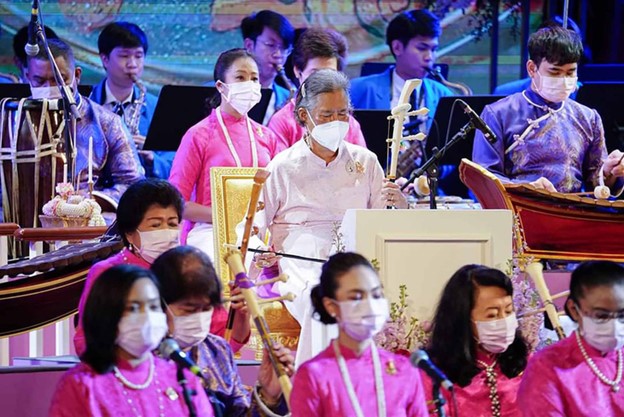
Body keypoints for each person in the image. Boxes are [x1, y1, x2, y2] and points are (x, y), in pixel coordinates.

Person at [251, 69, 407, 367]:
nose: (336, 123)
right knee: (320, 300)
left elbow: (382, 222)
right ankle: (325, 387)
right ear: (303, 116)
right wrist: (259, 251)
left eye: (342, 114)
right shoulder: (283, 167)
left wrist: (399, 204)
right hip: (303, 258)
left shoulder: (366, 160)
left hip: (357, 254)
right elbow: (252, 226)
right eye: (326, 115)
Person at [74, 179, 251, 355]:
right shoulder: (108, 273)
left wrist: (241, 317)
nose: (166, 231)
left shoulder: (192, 268)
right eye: (156, 225)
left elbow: (223, 346)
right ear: (129, 233)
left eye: (173, 224)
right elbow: (86, 343)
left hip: (192, 376)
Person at [472, 26, 624, 194]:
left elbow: (597, 187)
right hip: (517, 212)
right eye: (555, 72)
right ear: (531, 68)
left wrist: (609, 173)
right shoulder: (498, 114)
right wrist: (525, 187)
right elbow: (483, 176)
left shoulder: (588, 118)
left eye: (570, 72)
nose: (563, 80)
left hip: (572, 213)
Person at [49, 265, 214, 416]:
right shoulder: (82, 385)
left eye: (153, 307)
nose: (147, 316)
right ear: (108, 315)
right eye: (134, 308)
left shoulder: (181, 378)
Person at [152, 245, 295, 417]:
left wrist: (269, 396)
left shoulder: (216, 350)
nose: (198, 317)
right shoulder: (139, 358)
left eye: (206, 309)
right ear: (158, 305)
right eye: (189, 309)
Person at [169, 48, 279, 258]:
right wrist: (224, 216)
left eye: (254, 79)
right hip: (210, 232)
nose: (249, 84)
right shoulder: (198, 135)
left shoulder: (266, 136)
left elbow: (279, 193)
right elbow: (176, 202)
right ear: (221, 86)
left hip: (259, 233)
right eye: (240, 77)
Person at [290, 252, 428, 416]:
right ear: (331, 306)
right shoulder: (315, 375)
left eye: (376, 295)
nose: (370, 304)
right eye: (356, 297)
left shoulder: (402, 369)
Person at [25, 38, 144, 203]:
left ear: (77, 75)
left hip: (85, 221)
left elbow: (133, 184)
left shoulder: (107, 123)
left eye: (59, 80)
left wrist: (90, 199)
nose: (49, 89)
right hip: (16, 221)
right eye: (39, 81)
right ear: (27, 77)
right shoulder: (10, 120)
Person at [518, 260, 624, 416]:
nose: (614, 326)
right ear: (574, 310)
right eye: (601, 315)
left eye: (622, 315)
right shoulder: (547, 366)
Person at [422, 265, 528, 416]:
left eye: (509, 311)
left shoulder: (525, 365)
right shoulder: (432, 374)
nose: (504, 321)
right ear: (462, 318)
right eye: (492, 315)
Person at [90, 21, 175, 179]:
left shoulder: (157, 106)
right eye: (124, 56)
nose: (133, 64)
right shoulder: (86, 102)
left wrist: (152, 159)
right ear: (105, 59)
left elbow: (173, 166)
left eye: (138, 56)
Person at [349, 9, 453, 133]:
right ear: (397, 47)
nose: (429, 57)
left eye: (434, 49)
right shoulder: (356, 90)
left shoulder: (445, 96)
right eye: (422, 48)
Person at [267, 28, 367, 151]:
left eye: (329, 73)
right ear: (298, 71)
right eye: (315, 73)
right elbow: (279, 168)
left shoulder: (349, 124)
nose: (322, 81)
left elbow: (362, 165)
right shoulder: (282, 122)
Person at [241, 10, 295, 124]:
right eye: (271, 45)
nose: (278, 55)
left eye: (284, 48)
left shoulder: (290, 99)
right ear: (249, 45)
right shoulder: (221, 91)